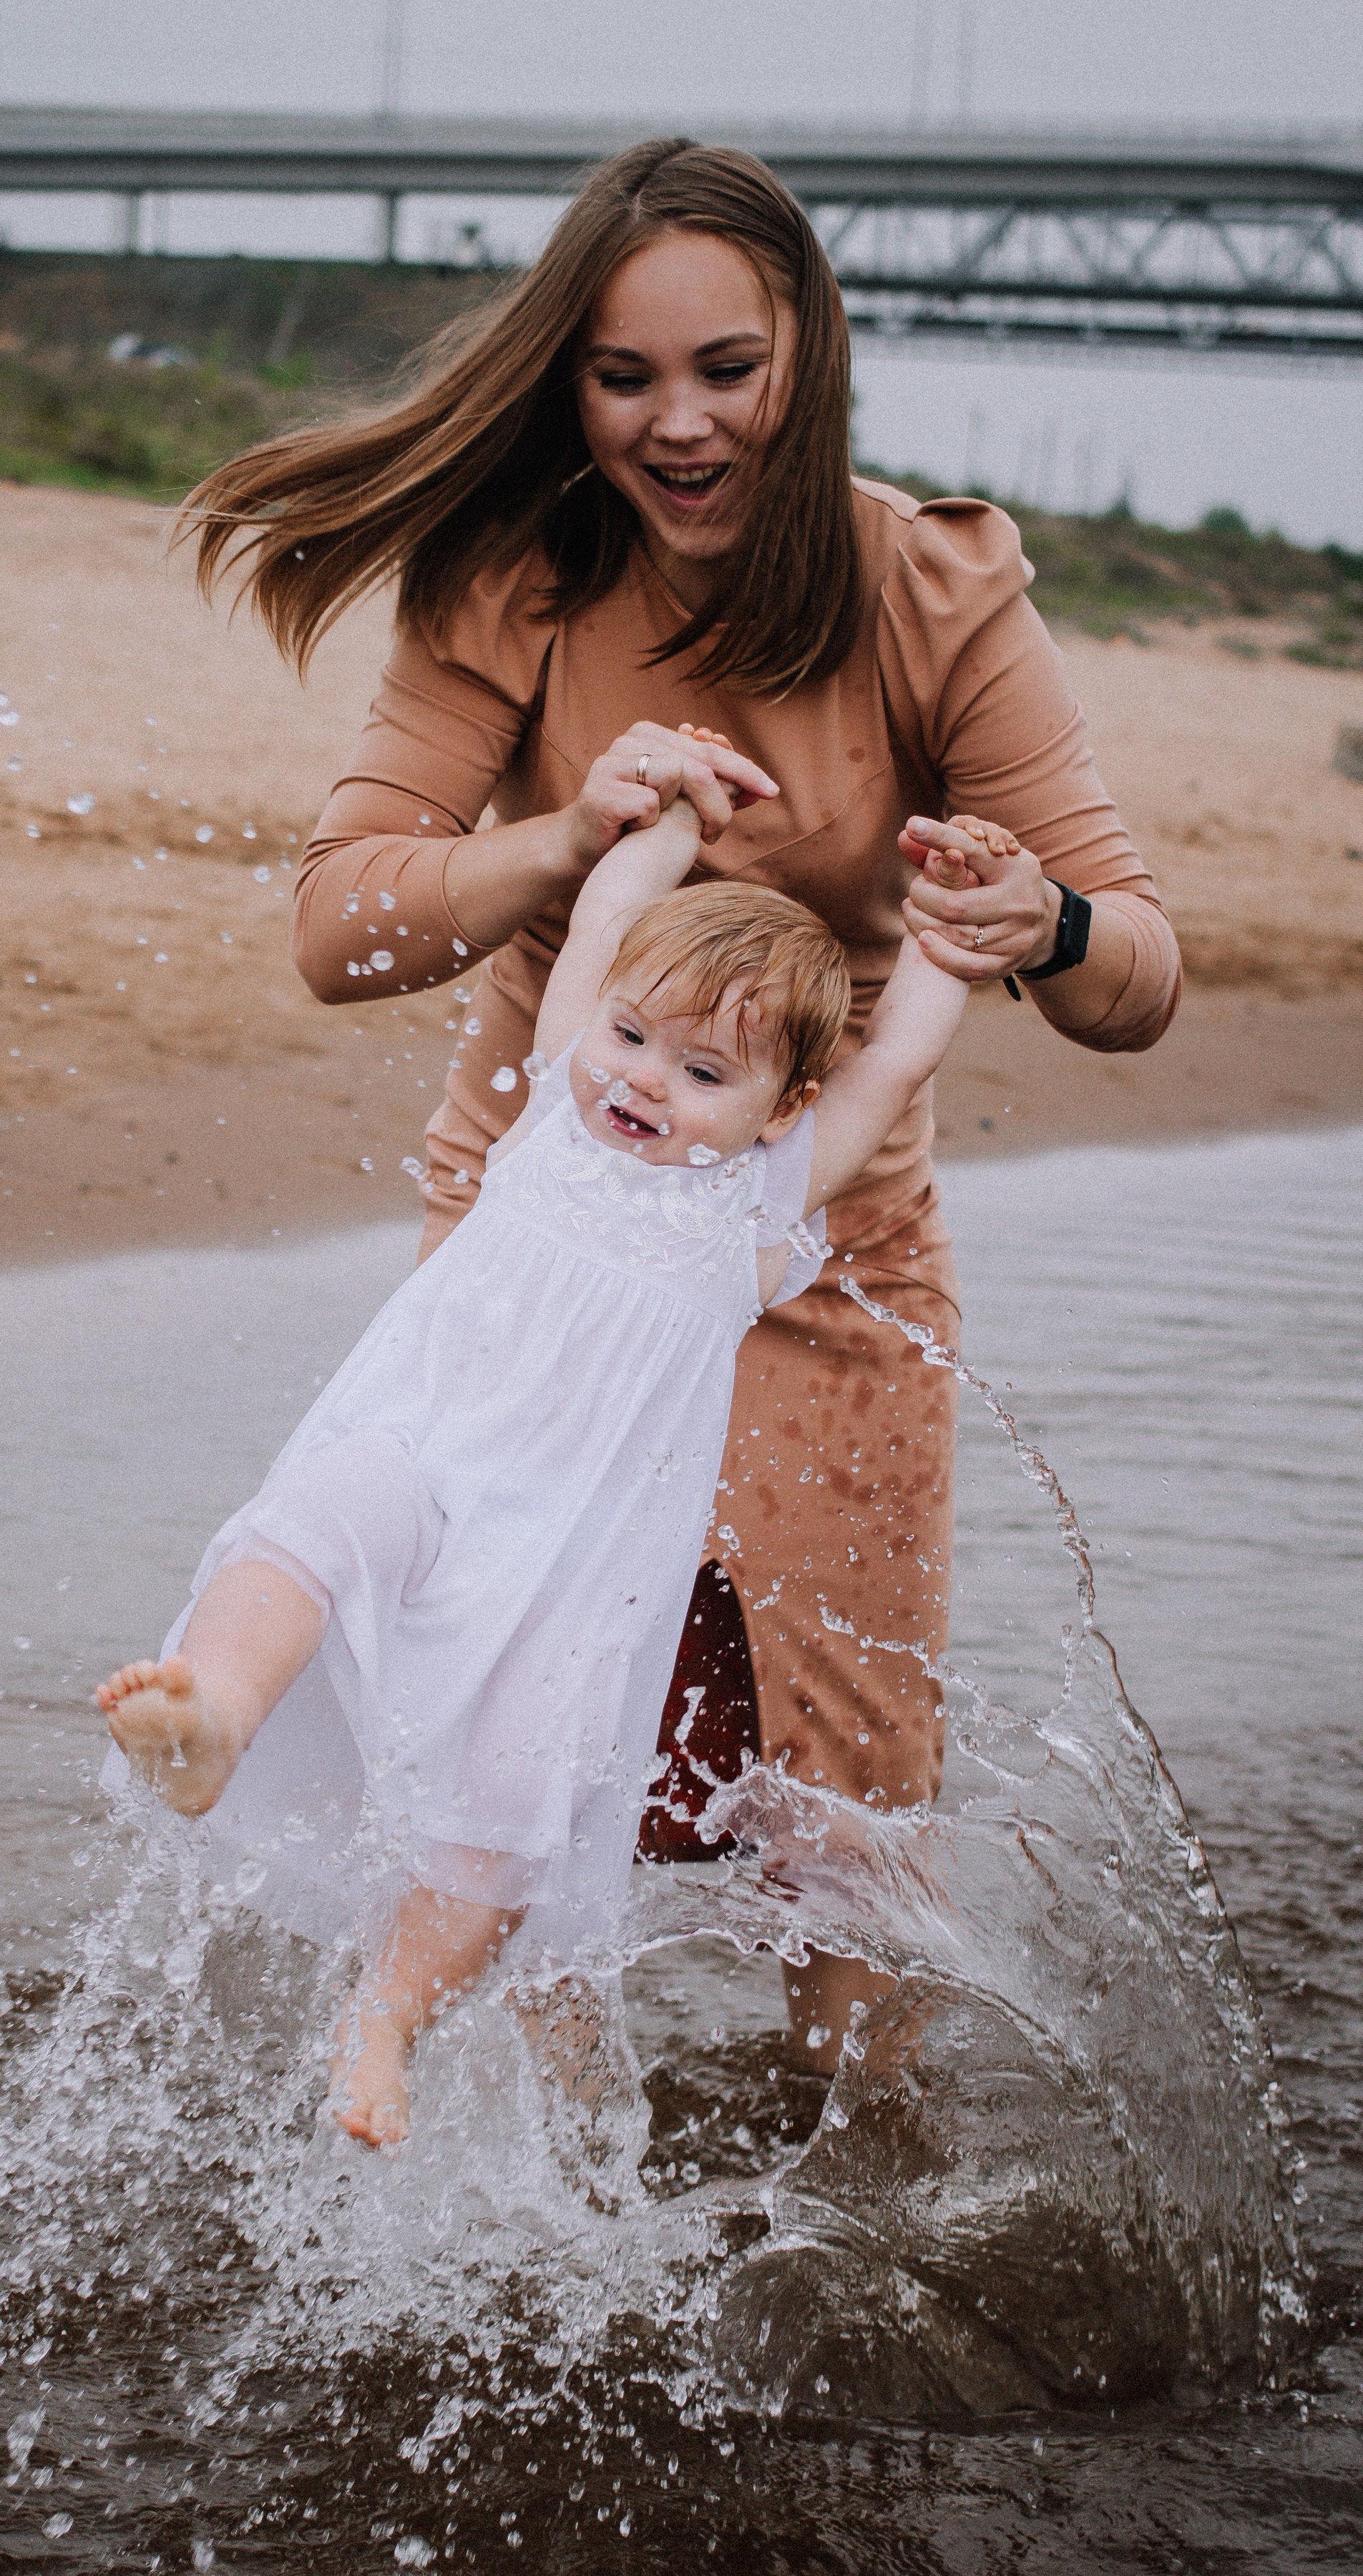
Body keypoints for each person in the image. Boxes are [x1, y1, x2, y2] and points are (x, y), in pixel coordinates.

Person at [183, 139, 1181, 2067]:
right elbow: (338, 926)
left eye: (727, 369)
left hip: (822, 1252)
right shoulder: (517, 579)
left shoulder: (931, 590)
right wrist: (566, 835)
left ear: (809, 355)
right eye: (623, 377)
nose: (680, 424)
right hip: (544, 1224)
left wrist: (1042, 922)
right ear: (571, 386)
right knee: (506, 1729)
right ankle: (541, 2177)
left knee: (842, 1807)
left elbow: (1136, 971)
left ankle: (861, 2163)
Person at [97, 768, 973, 2147]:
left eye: (704, 1074)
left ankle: (386, 2018)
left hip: (570, 1577)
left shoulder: (758, 1208)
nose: (644, 1081)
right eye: (631, 1035)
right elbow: (607, 917)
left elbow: (895, 1060)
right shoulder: (557, 1110)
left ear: (781, 1107)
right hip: (424, 1466)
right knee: (306, 1530)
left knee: (513, 1808)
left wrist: (951, 931)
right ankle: (214, 1711)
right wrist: (667, 827)